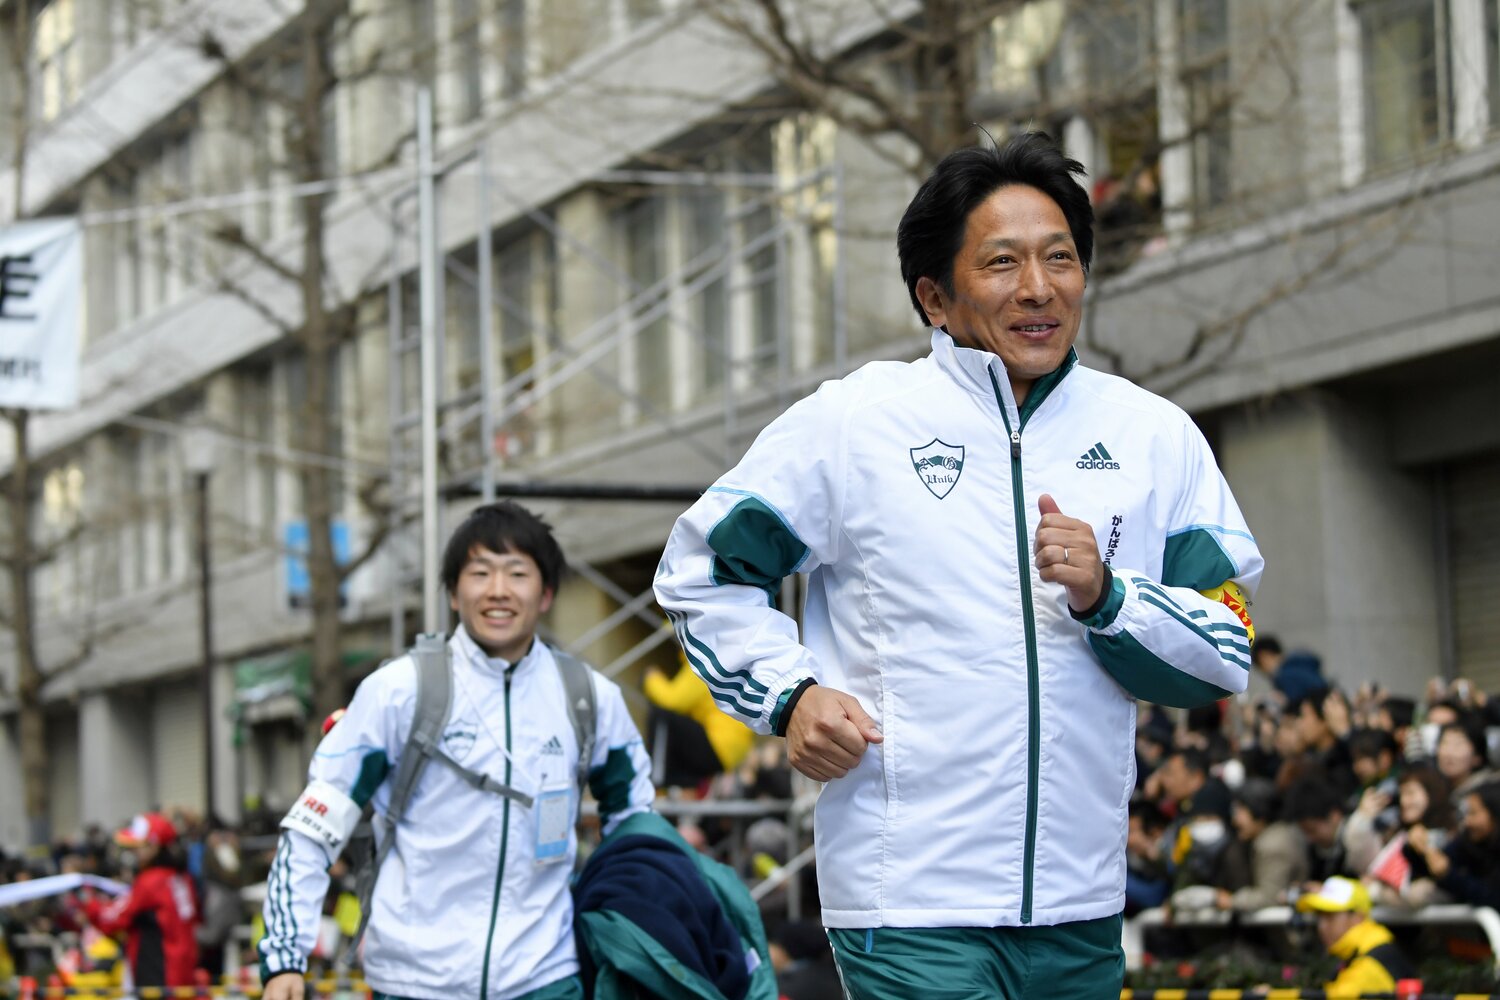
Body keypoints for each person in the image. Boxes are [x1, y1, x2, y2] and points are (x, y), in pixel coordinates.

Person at [654, 132, 1263, 998]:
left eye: (1061, 258)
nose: (1039, 288)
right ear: (935, 296)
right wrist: (791, 693)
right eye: (1003, 263)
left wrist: (1108, 596)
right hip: (907, 895)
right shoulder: (856, 422)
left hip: (1079, 900)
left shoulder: (1154, 436)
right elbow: (707, 569)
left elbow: (1226, 644)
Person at [258, 501, 655, 1000]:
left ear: (547, 592)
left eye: (518, 573)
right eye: (480, 572)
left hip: (546, 981)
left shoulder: (589, 697)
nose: (498, 590)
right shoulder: (398, 692)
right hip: (414, 984)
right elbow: (313, 828)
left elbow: (637, 828)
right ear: (452, 592)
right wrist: (285, 958)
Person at [76, 813, 199, 988]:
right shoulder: (181, 878)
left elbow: (112, 919)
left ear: (154, 846)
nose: (132, 853)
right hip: (183, 974)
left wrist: (89, 902)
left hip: (159, 974)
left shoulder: (151, 881)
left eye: (137, 847)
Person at [1296, 876, 1417, 998]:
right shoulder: (1357, 952)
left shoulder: (1371, 961)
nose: (1321, 926)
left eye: (1330, 916)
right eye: (1319, 917)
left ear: (1358, 917)